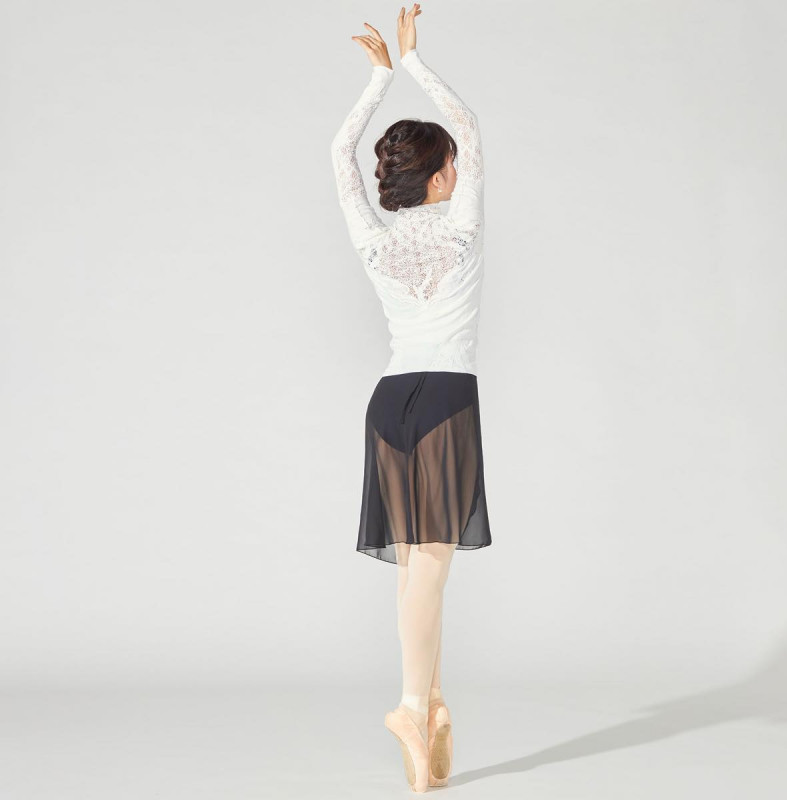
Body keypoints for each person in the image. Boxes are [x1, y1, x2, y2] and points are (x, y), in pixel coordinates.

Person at [330, 4, 491, 792]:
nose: (458, 169)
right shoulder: (461, 229)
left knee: (413, 573)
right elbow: (469, 126)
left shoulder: (375, 238)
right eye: (450, 163)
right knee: (428, 570)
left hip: (390, 400)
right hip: (444, 402)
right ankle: (409, 706)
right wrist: (415, 64)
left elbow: (340, 153)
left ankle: (429, 704)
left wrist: (378, 80)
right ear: (438, 173)